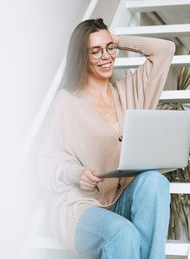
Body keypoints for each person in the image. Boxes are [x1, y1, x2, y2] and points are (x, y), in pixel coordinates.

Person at [36, 18, 176, 259]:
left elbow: (165, 50)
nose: (106, 56)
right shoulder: (66, 101)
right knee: (123, 233)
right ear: (82, 56)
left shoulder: (129, 92)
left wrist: (116, 40)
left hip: (121, 200)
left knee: (155, 181)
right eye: (95, 51)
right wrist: (76, 173)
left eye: (109, 49)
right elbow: (47, 162)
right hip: (81, 207)